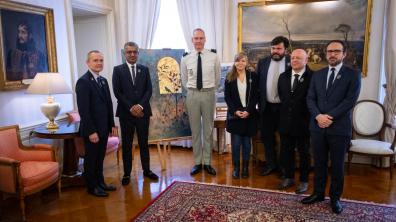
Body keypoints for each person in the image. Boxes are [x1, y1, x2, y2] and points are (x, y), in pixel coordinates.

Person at [301, 40, 361, 214]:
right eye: (329, 51)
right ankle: (318, 193)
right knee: (319, 163)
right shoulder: (318, 74)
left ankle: (335, 198)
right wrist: (318, 116)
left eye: (336, 51)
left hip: (339, 128)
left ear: (344, 54)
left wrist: (330, 117)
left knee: (337, 166)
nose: (332, 54)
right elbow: (310, 98)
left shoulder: (353, 74)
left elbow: (350, 101)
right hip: (317, 126)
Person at [112, 42, 159, 186]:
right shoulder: (118, 70)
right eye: (129, 52)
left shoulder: (144, 69)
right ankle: (127, 174)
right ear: (125, 54)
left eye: (135, 52)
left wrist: (139, 106)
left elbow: (149, 90)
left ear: (138, 53)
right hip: (126, 114)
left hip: (143, 113)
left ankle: (147, 170)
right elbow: (117, 92)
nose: (132, 54)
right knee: (126, 144)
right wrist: (131, 107)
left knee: (144, 143)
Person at [75, 50, 118, 197]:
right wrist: (91, 131)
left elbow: (108, 105)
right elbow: (84, 110)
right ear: (88, 63)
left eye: (101, 60)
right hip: (92, 130)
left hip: (104, 128)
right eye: (95, 60)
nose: (99, 63)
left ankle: (101, 183)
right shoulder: (83, 82)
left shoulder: (103, 80)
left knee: (100, 158)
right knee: (91, 159)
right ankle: (92, 187)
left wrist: (112, 124)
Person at [181, 28, 220, 176]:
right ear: (192, 40)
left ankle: (208, 162)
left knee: (208, 130)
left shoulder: (214, 56)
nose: (198, 41)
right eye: (196, 38)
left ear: (205, 39)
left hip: (208, 94)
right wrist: (193, 91)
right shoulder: (185, 58)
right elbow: (184, 80)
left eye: (201, 38)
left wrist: (209, 90)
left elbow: (217, 79)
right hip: (192, 95)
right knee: (196, 131)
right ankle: (198, 162)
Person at [277, 49, 312, 193]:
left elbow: (313, 99)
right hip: (286, 121)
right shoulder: (283, 76)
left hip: (304, 122)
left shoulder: (313, 77)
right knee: (286, 151)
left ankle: (304, 180)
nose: (295, 60)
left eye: (299, 58)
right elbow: (282, 97)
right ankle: (289, 177)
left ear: (306, 60)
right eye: (292, 58)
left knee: (304, 153)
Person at [256, 36, 291, 176]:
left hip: (284, 109)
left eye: (279, 48)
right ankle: (271, 164)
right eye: (273, 48)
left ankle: (283, 168)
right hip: (266, 108)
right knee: (267, 137)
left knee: (285, 139)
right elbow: (258, 85)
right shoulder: (263, 62)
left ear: (285, 50)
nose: (275, 51)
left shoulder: (291, 62)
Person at [224, 52, 258, 179]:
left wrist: (249, 110)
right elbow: (228, 97)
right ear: (234, 62)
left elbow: (255, 96)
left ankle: (245, 168)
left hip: (249, 115)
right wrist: (235, 111)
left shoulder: (253, 76)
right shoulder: (229, 77)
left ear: (246, 62)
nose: (240, 63)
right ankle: (236, 168)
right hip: (235, 115)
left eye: (243, 61)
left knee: (247, 144)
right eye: (238, 60)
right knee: (236, 143)